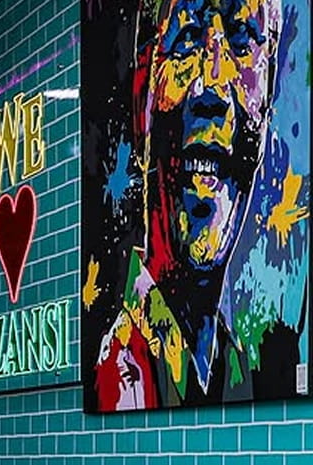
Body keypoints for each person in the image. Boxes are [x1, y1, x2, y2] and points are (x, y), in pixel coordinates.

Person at [92, 0, 287, 410]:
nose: (211, 87)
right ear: (142, 102)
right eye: (184, 41)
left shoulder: (235, 368)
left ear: (267, 102)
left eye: (241, 39)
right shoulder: (120, 370)